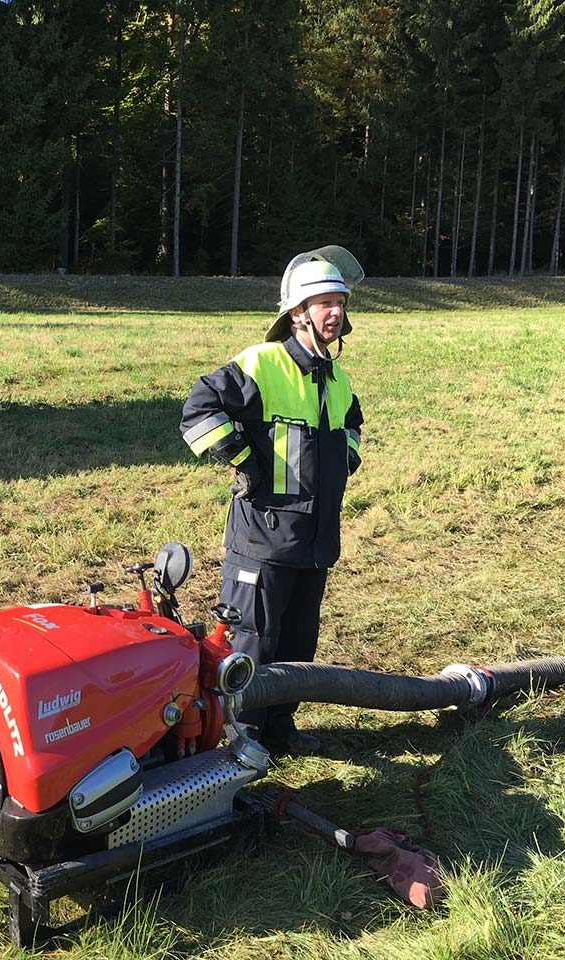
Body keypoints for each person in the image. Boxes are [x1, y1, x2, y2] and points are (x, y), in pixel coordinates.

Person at [180, 247, 365, 755]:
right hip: (262, 541)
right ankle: (237, 741)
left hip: (314, 542)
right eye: (325, 303)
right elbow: (199, 410)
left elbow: (352, 425)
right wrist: (245, 461)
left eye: (341, 302)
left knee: (298, 645)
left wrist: (344, 461)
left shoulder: (337, 378)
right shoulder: (263, 363)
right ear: (298, 313)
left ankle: (280, 731)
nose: (336, 312)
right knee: (251, 645)